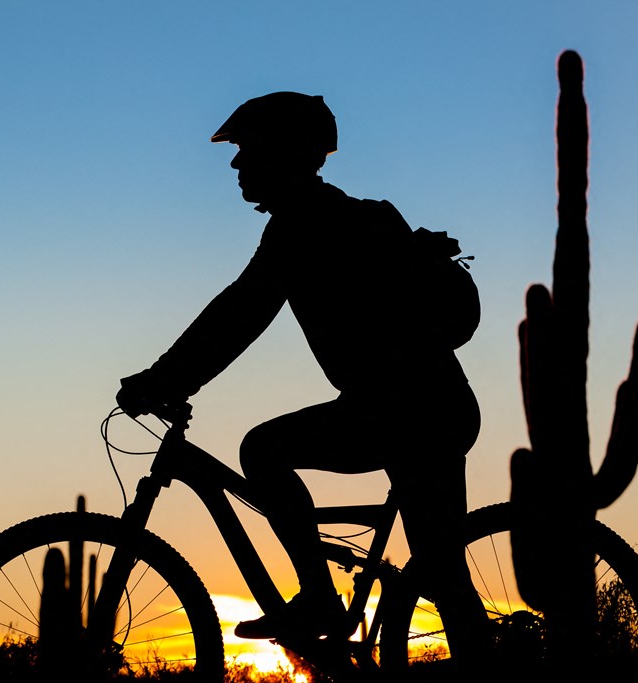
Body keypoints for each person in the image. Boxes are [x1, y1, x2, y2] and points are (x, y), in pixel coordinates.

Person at [115, 92, 489, 657]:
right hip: (432, 408)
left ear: (281, 153)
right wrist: (170, 377)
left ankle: (318, 595)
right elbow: (239, 311)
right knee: (442, 573)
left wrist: (164, 380)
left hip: (404, 410)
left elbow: (239, 314)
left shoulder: (307, 225)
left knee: (264, 450)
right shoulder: (339, 217)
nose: (237, 164)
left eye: (247, 150)